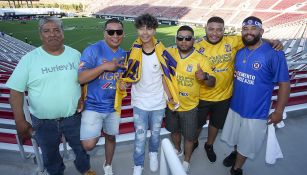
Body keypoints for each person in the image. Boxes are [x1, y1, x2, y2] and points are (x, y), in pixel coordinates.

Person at [6, 16, 95, 175]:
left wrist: (83, 97)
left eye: (56, 30)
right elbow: (15, 92)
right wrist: (20, 120)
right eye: (47, 31)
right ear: (41, 35)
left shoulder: (75, 54)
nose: (52, 34)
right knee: (50, 155)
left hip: (74, 117)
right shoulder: (29, 59)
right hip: (43, 122)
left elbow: (83, 80)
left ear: (62, 32)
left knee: (81, 148)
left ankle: (85, 170)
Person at [194, 16, 284, 163]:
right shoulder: (197, 45)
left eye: (219, 30)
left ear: (224, 30)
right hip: (201, 95)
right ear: (205, 29)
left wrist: (272, 41)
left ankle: (209, 145)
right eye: (211, 29)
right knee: (197, 125)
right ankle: (195, 141)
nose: (215, 33)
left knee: (215, 125)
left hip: (225, 97)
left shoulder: (233, 40)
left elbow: (253, 37)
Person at [220, 16, 290, 175]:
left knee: (247, 144)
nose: (249, 32)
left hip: (256, 112)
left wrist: (279, 111)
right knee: (237, 137)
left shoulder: (274, 54)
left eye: (253, 29)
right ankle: (234, 153)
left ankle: (237, 168)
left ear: (261, 31)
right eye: (245, 29)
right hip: (236, 106)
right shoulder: (239, 52)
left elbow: (284, 83)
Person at [117, 13, 179, 175]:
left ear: (155, 30)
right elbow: (129, 76)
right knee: (140, 135)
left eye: (149, 28)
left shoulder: (161, 52)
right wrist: (124, 83)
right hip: (140, 102)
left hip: (158, 102)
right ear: (137, 29)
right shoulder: (133, 52)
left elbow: (165, 77)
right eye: (142, 28)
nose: (145, 33)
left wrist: (170, 96)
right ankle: (138, 164)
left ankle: (153, 153)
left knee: (156, 133)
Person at [165, 25, 216, 174]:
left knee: (189, 137)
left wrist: (205, 76)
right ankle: (177, 149)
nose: (184, 41)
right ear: (176, 39)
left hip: (190, 107)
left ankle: (186, 160)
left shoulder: (201, 59)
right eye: (180, 38)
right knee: (174, 132)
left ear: (193, 40)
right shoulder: (169, 53)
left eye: (188, 38)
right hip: (172, 105)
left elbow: (212, 82)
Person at [78, 18, 126, 175]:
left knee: (111, 137)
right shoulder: (92, 50)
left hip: (114, 106)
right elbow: (81, 78)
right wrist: (104, 66)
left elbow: (120, 79)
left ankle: (108, 165)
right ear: (104, 33)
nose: (115, 35)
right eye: (110, 32)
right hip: (92, 105)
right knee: (88, 144)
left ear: (123, 34)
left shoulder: (123, 54)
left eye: (118, 32)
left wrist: (122, 84)